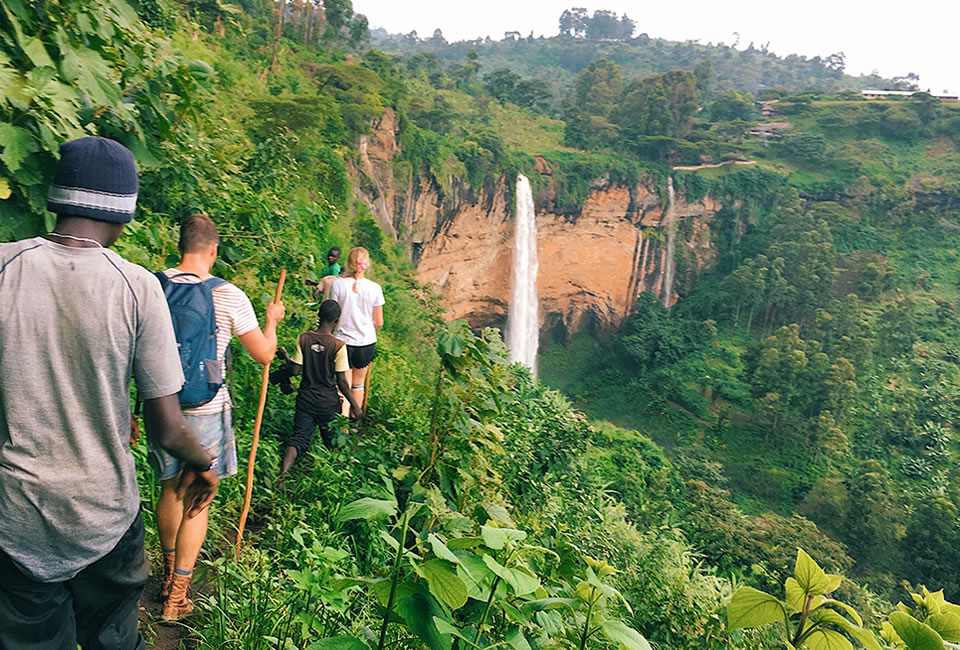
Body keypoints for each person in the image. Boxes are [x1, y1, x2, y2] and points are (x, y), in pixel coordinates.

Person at [0, 136, 218, 649]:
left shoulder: (4, 267)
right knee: (113, 639)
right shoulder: (137, 286)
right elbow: (166, 424)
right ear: (122, 214)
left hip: (17, 515)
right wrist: (200, 461)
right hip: (104, 515)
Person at [151, 214, 285, 622]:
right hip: (207, 409)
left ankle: (167, 571)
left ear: (179, 247)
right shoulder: (229, 295)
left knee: (170, 490)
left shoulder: (151, 286)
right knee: (198, 497)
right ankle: (177, 596)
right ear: (214, 250)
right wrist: (273, 320)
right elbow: (263, 354)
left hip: (160, 405)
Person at [277, 300, 364, 473]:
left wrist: (286, 357)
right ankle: (334, 476)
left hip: (306, 400)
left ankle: (283, 474)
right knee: (333, 443)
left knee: (298, 439)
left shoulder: (304, 338)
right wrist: (355, 406)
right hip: (328, 403)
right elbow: (342, 382)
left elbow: (294, 371)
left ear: (318, 316)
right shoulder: (338, 346)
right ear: (337, 320)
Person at [325, 246, 384, 416]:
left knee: (342, 386)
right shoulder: (375, 288)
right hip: (365, 343)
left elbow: (333, 314)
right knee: (358, 385)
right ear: (366, 264)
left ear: (348, 263)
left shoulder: (338, 286)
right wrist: (365, 324)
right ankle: (355, 422)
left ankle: (340, 424)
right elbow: (379, 322)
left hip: (342, 342)